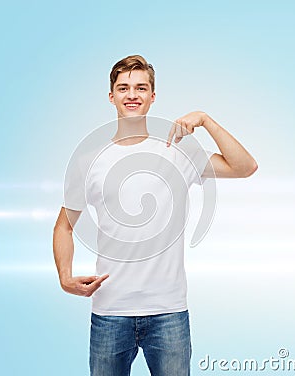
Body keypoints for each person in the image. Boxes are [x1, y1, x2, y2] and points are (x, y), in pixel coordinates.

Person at [53, 55, 258, 376]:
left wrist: (206, 120)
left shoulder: (178, 150)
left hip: (169, 312)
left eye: (141, 87)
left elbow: (245, 167)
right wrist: (64, 277)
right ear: (111, 96)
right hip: (110, 311)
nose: (132, 94)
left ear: (152, 96)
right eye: (123, 88)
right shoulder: (89, 160)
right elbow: (64, 227)